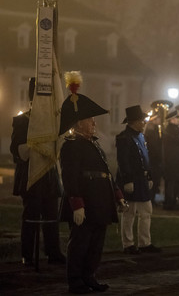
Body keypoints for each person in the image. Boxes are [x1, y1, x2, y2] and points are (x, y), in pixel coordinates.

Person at [58, 72, 127, 294]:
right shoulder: (71, 145)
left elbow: (106, 172)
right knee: (80, 244)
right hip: (85, 202)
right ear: (79, 123)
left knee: (96, 244)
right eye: (90, 119)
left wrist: (117, 195)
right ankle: (75, 280)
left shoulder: (94, 144)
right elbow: (69, 176)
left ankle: (89, 276)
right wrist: (76, 203)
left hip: (100, 202)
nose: (94, 123)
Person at [10, 77, 65, 267]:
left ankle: (53, 251)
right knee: (30, 217)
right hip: (30, 174)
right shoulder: (22, 120)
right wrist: (36, 143)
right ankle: (27, 254)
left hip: (49, 174)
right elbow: (16, 149)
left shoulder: (53, 122)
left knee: (51, 216)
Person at [116, 105, 161, 254]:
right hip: (131, 179)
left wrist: (148, 175)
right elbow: (123, 161)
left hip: (141, 179)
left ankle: (144, 243)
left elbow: (145, 158)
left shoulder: (141, 136)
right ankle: (128, 244)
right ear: (134, 121)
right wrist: (127, 180)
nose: (144, 123)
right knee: (129, 212)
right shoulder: (124, 137)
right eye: (142, 120)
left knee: (146, 211)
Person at [144, 113, 163, 205]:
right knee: (153, 180)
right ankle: (151, 198)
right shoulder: (152, 132)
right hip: (153, 160)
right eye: (158, 119)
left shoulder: (153, 130)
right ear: (154, 120)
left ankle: (152, 198)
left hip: (154, 160)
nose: (160, 121)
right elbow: (155, 147)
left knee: (155, 180)